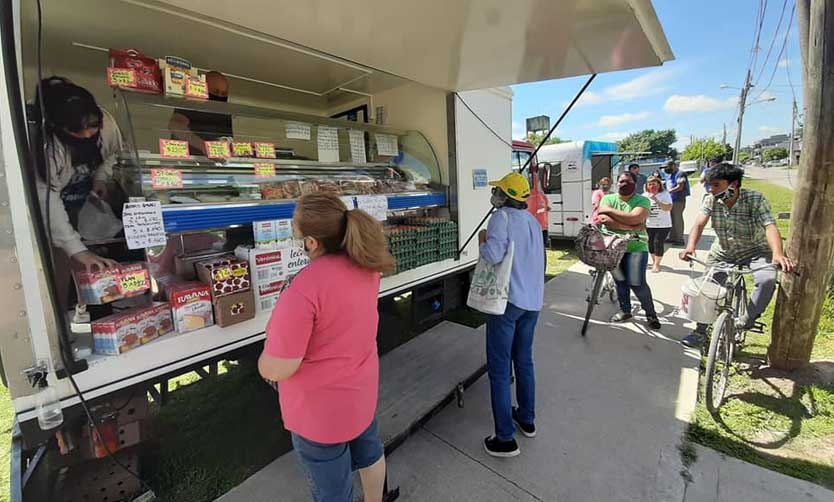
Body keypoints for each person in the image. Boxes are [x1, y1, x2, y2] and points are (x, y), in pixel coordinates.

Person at [258, 193, 394, 501]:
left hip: (319, 413)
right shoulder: (366, 266)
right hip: (360, 393)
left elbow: (280, 366)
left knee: (333, 491)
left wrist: (263, 365)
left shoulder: (304, 287)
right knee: (370, 452)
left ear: (311, 242)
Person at [32, 76, 123, 314]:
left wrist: (101, 177)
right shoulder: (45, 145)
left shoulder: (108, 125)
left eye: (92, 125)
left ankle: (103, 315)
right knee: (62, 268)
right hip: (56, 208)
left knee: (97, 262)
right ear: (56, 126)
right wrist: (76, 249)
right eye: (75, 129)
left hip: (86, 201)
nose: (85, 134)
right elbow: (46, 196)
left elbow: (113, 154)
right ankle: (64, 318)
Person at [679, 163, 795, 348]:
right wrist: (690, 247)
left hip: (756, 251)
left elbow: (769, 225)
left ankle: (747, 320)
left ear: (733, 185)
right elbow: (699, 224)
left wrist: (778, 254)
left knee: (767, 280)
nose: (711, 189)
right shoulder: (711, 200)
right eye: (710, 185)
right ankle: (700, 331)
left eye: (716, 185)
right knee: (707, 288)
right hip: (723, 252)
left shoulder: (755, 199)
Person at [477, 172, 545, 458]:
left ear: (505, 197)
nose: (494, 196)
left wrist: (483, 240)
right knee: (524, 362)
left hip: (507, 303)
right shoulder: (531, 219)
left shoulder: (500, 218)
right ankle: (526, 419)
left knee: (500, 370)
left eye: (498, 192)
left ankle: (504, 438)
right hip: (532, 302)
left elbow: (492, 255)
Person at [596, 172, 662, 330]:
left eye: (628, 181)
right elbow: (603, 219)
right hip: (612, 248)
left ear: (635, 183)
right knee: (620, 282)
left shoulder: (643, 200)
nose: (623, 184)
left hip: (635, 247)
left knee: (637, 283)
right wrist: (628, 226)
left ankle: (650, 314)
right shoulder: (607, 198)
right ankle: (625, 311)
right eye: (621, 181)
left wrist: (612, 213)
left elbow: (636, 218)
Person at [168, 71, 233, 155]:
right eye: (215, 92)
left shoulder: (224, 111)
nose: (219, 96)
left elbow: (227, 138)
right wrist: (203, 146)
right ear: (204, 88)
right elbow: (175, 125)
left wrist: (227, 145)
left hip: (212, 164)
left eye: (223, 94)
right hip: (186, 161)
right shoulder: (192, 102)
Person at [644, 176, 673, 273]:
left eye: (654, 184)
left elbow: (668, 208)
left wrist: (656, 200)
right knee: (650, 244)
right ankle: (654, 261)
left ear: (659, 185)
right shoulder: (644, 195)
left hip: (663, 224)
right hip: (649, 224)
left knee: (658, 243)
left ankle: (657, 264)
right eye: (650, 184)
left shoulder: (665, 194)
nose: (652, 186)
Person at [664, 160, 690, 245]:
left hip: (678, 200)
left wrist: (668, 191)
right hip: (671, 200)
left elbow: (680, 187)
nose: (665, 169)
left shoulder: (680, 174)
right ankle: (672, 237)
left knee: (677, 219)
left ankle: (679, 239)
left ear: (673, 165)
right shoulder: (670, 175)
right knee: (671, 219)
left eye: (667, 167)